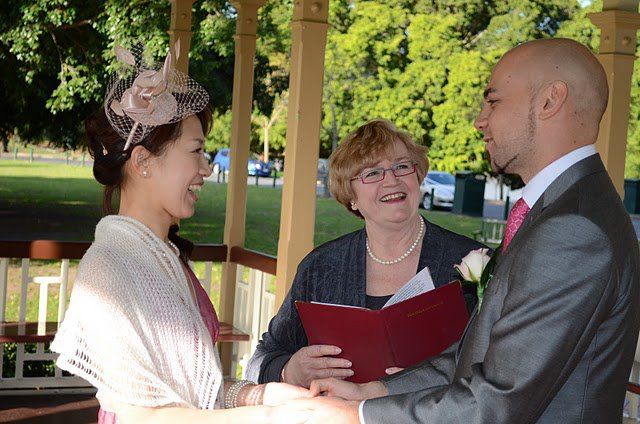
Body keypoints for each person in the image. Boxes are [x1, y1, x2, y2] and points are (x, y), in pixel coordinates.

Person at [297, 38, 640, 423]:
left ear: (549, 101)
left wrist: (353, 415)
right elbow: (473, 357)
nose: (480, 119)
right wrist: (372, 391)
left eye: (493, 101)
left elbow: (495, 402)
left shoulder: (573, 230)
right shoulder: (561, 207)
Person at [50, 43, 311, 423]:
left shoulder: (165, 257)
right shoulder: (109, 270)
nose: (206, 168)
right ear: (143, 162)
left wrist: (272, 391)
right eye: (196, 152)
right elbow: (146, 415)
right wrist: (276, 417)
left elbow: (194, 391)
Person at [246, 119, 486, 388]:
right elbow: (259, 362)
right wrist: (291, 371)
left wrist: (424, 381)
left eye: (402, 166)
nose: (392, 180)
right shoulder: (320, 267)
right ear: (351, 196)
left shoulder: (472, 261)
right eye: (372, 173)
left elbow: (496, 367)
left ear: (417, 177)